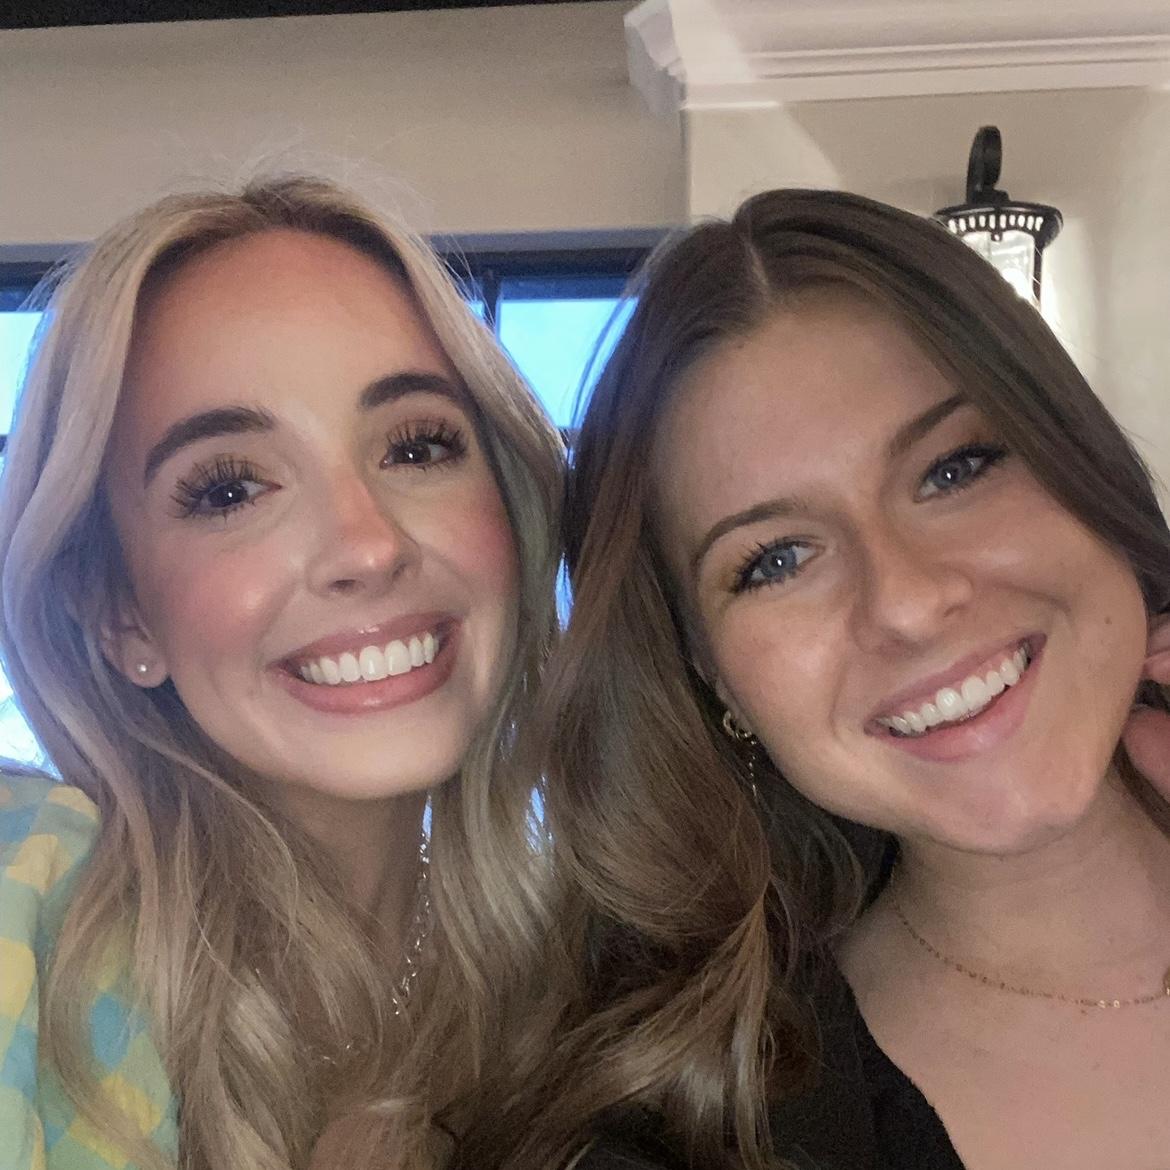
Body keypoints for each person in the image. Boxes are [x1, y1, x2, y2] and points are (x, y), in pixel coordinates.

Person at [525, 188, 1170, 1170]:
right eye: (775, 561)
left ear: (1078, 462)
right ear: (714, 681)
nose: (907, 602)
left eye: (955, 468)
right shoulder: (696, 1141)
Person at [0, 176, 563, 1169]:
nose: (368, 546)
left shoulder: (605, 995)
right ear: (120, 611)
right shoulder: (25, 909)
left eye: (417, 446)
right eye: (229, 489)